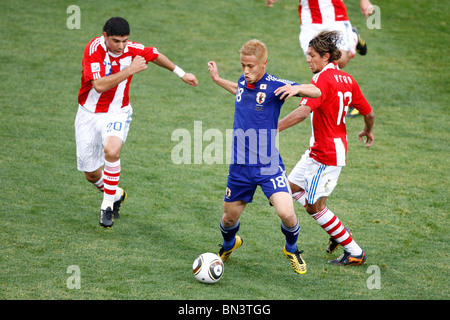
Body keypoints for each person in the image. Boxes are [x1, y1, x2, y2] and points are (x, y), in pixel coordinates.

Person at [207, 39, 321, 274]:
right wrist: (218, 80)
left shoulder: (275, 85)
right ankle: (230, 244)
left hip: (268, 164)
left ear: (264, 64)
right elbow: (239, 90)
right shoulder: (243, 81)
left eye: (251, 66)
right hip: (239, 166)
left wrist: (298, 88)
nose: (246, 71)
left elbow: (317, 91)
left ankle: (291, 248)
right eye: (243, 66)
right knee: (229, 219)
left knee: (287, 213)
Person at [75, 17, 198, 228]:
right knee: (91, 174)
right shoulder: (93, 50)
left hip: (117, 112)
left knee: (112, 151)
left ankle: (106, 206)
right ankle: (115, 193)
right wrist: (130, 69)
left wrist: (181, 73)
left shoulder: (132, 49)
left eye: (125, 41)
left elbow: (155, 54)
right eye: (116, 41)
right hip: (88, 114)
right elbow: (99, 86)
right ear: (105, 36)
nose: (121, 46)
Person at [275, 30, 374, 266]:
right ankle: (335, 226)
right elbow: (368, 112)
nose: (308, 59)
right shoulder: (348, 80)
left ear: (326, 56)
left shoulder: (320, 80)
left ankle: (355, 252)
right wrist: (368, 130)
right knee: (286, 190)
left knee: (314, 207)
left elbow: (302, 112)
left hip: (327, 154)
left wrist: (272, 129)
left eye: (312, 55)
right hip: (318, 150)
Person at [266, 0, 375, 117]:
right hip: (309, 19)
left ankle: (353, 38)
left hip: (334, 13)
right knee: (316, 61)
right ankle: (338, 99)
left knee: (338, 60)